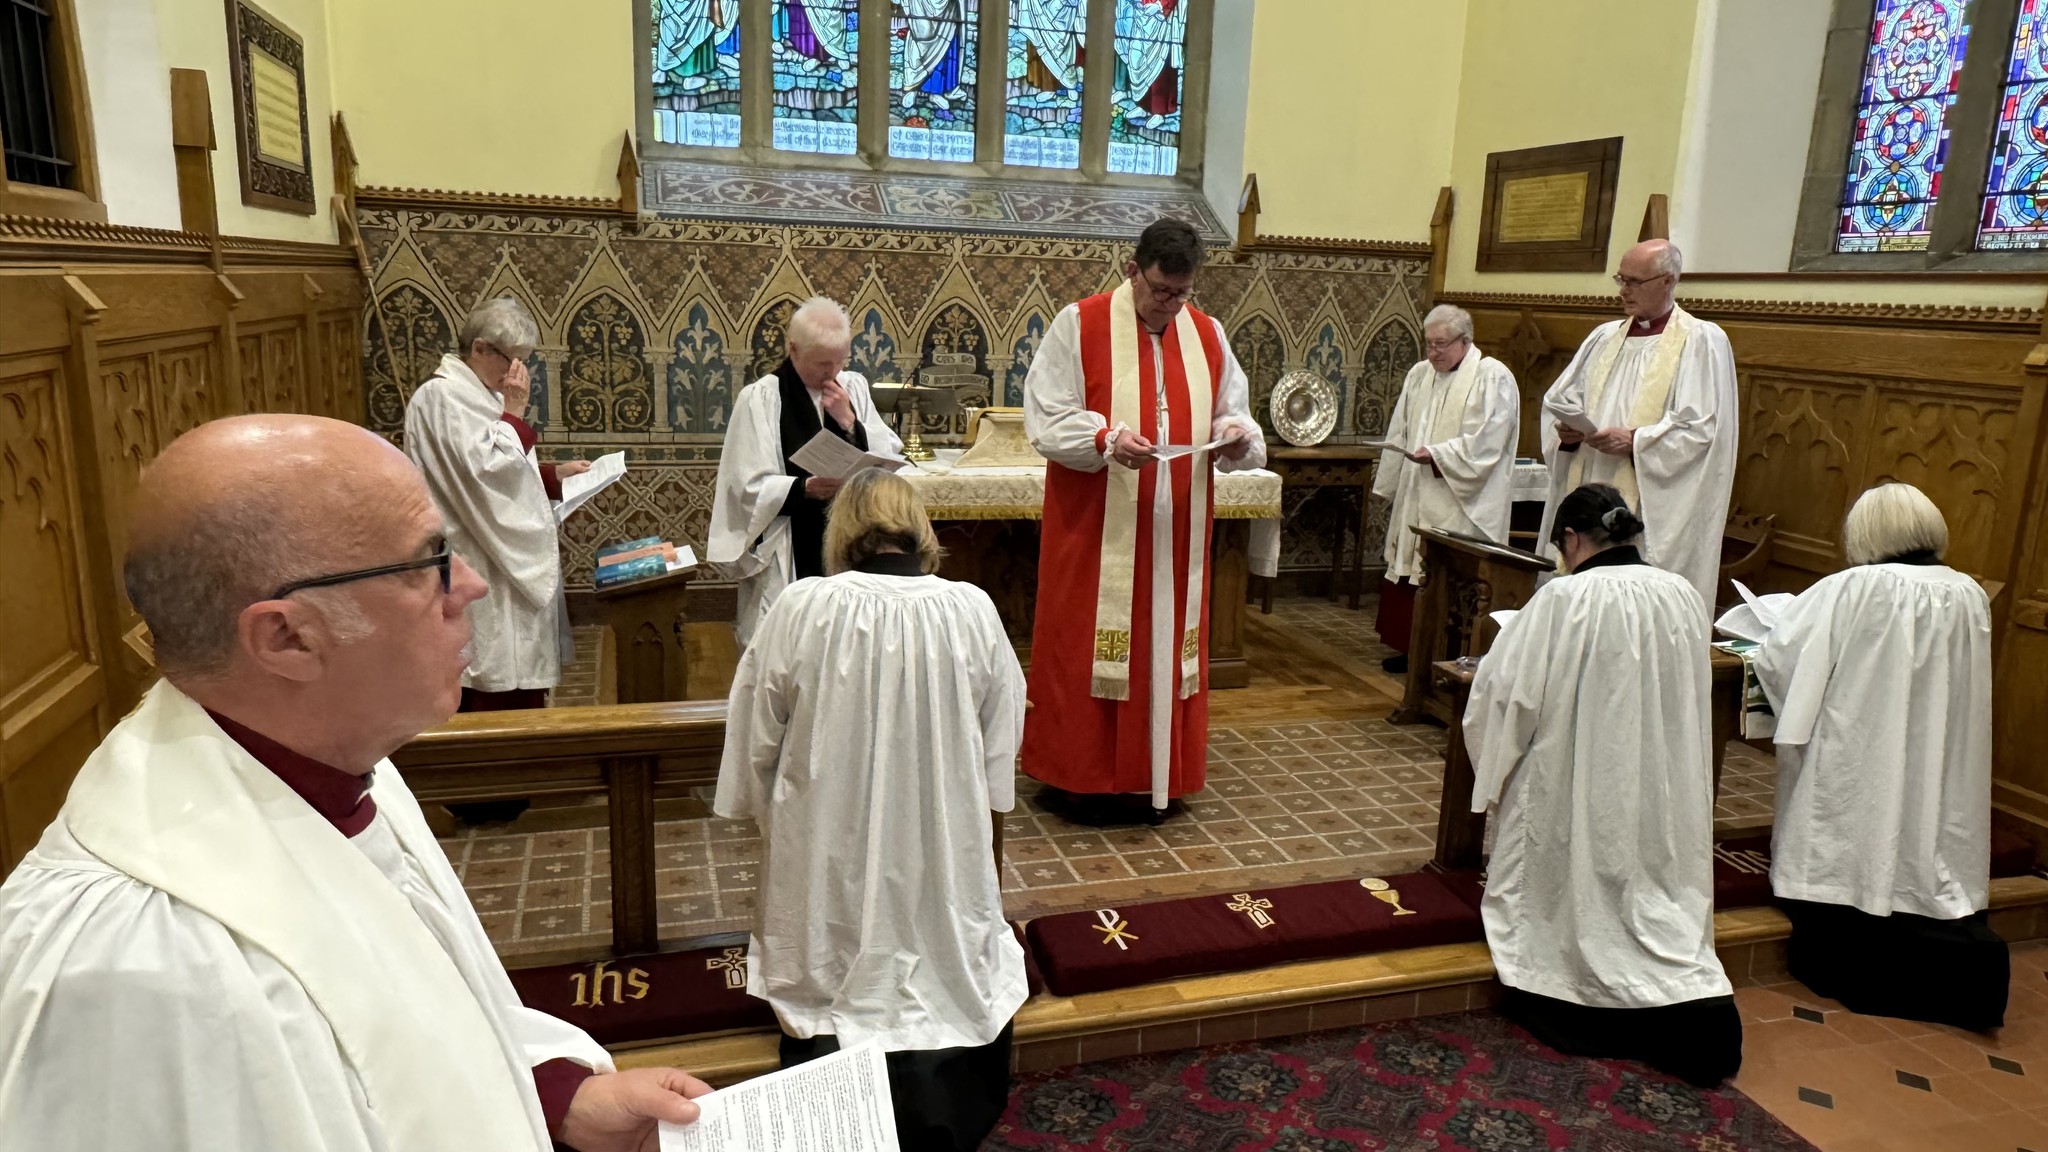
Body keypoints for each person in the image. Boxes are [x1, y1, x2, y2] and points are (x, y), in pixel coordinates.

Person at [0, 415, 708, 1149]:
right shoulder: (139, 975)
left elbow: (396, 1022)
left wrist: (557, 1096)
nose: (469, 585)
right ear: (287, 637)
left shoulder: (332, 760)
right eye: (428, 562)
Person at [716, 468, 1027, 1152]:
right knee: (941, 949)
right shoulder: (972, 607)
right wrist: (977, 791)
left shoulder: (803, 607)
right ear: (920, 529)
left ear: (845, 530)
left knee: (833, 949)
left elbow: (755, 730)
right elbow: (1001, 732)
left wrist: (759, 805)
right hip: (939, 835)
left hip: (829, 834)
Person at [1464, 482, 1739, 1087]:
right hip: (1660, 783)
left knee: (1575, 882)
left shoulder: (1563, 599)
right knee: (1653, 885)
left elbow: (1506, 697)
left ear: (1569, 539)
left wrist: (1491, 766)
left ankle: (1582, 991)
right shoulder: (1684, 595)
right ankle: (1684, 1002)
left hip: (1577, 778)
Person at [1021, 216, 1266, 827]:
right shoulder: (1080, 324)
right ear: (1132, 269)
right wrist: (1103, 437)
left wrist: (1234, 437)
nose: (1170, 305)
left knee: (1166, 648)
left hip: (1173, 536)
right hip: (1097, 529)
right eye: (1160, 290)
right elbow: (1048, 417)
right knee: (1084, 648)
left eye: (1182, 293)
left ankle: (1160, 777)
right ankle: (1081, 780)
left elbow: (1233, 413)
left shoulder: (1206, 333)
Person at [1754, 483, 2003, 1030]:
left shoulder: (1853, 587)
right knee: (1925, 822)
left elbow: (1781, 659)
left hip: (1861, 745)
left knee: (1860, 819)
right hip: (1936, 745)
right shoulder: (1966, 591)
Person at [405, 296, 590, 713]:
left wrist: (553, 475)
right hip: (477, 555)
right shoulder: (441, 398)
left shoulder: (478, 393)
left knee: (518, 673)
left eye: (525, 362)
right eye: (511, 360)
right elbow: (483, 475)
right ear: (480, 348)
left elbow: (501, 472)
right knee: (490, 674)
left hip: (493, 549)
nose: (516, 374)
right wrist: (516, 413)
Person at [1536, 239, 1737, 620]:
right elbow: (1561, 399)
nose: (1623, 290)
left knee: (1628, 610)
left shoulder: (1701, 341)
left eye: (1634, 281)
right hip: (1590, 477)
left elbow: (1702, 431)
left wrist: (1636, 441)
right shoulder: (1603, 337)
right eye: (1621, 279)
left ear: (1667, 281)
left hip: (1646, 492)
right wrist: (1565, 434)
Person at [708, 296, 904, 646]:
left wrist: (850, 423)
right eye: (821, 364)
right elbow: (745, 485)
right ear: (793, 350)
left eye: (839, 361)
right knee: (789, 645)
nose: (832, 373)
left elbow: (886, 454)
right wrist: (804, 488)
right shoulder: (761, 399)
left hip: (852, 536)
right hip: (791, 541)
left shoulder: (853, 387)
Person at [1370, 303, 1521, 675]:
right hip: (1419, 487)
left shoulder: (1492, 377)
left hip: (1460, 497)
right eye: (1428, 344)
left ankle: (1451, 652)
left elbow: (1488, 441)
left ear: (1465, 340)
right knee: (1413, 569)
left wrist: (1438, 456)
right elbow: (1400, 428)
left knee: (1451, 577)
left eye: (1440, 344)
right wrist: (1391, 477)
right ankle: (1414, 649)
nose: (1433, 352)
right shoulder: (1420, 374)